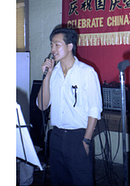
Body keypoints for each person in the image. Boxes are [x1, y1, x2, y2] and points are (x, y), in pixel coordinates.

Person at [37, 26, 103, 186]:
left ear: (70, 46)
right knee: (59, 180)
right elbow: (42, 105)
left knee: (81, 180)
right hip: (57, 136)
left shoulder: (86, 72)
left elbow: (95, 108)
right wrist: (47, 76)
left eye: (57, 45)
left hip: (78, 137)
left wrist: (86, 140)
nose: (53, 49)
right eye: (51, 45)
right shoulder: (55, 73)